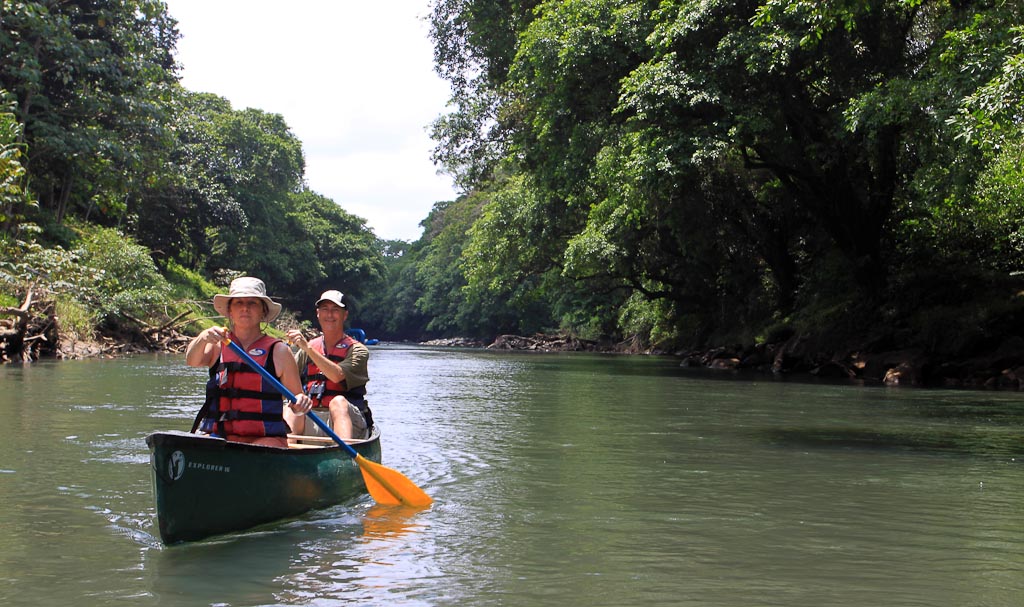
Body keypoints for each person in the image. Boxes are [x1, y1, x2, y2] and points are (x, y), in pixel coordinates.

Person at [185, 276, 312, 448]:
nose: (245, 308)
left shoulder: (279, 351)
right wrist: (202, 338)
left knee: (263, 447)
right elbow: (191, 361)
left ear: (263, 311)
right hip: (221, 437)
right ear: (230, 310)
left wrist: (301, 402)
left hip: (265, 440)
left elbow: (297, 403)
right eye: (238, 303)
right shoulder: (216, 345)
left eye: (252, 303)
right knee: (200, 445)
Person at [285, 290, 372, 440]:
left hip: (347, 419)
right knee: (294, 402)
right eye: (325, 309)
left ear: (345, 315)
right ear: (318, 314)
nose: (329, 315)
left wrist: (308, 348)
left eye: (335, 310)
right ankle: (286, 453)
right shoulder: (309, 348)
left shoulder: (358, 350)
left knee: (338, 402)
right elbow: (286, 378)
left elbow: (337, 376)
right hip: (312, 418)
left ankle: (344, 458)